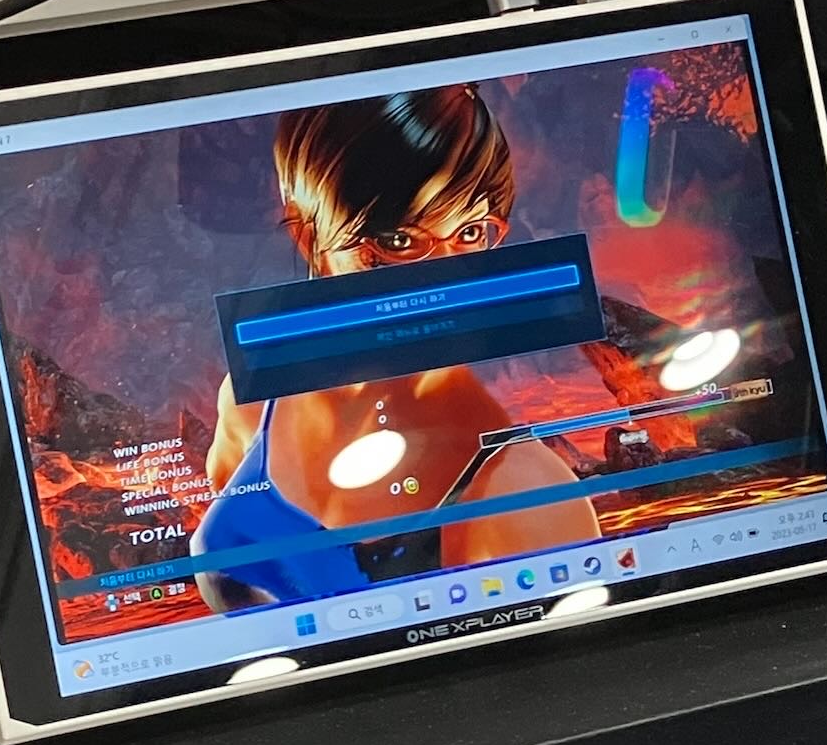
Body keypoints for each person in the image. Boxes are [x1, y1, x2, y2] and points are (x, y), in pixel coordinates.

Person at [194, 85, 599, 610]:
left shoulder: (522, 492)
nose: (446, 278)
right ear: (308, 236)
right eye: (400, 241)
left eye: (470, 232)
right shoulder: (253, 399)